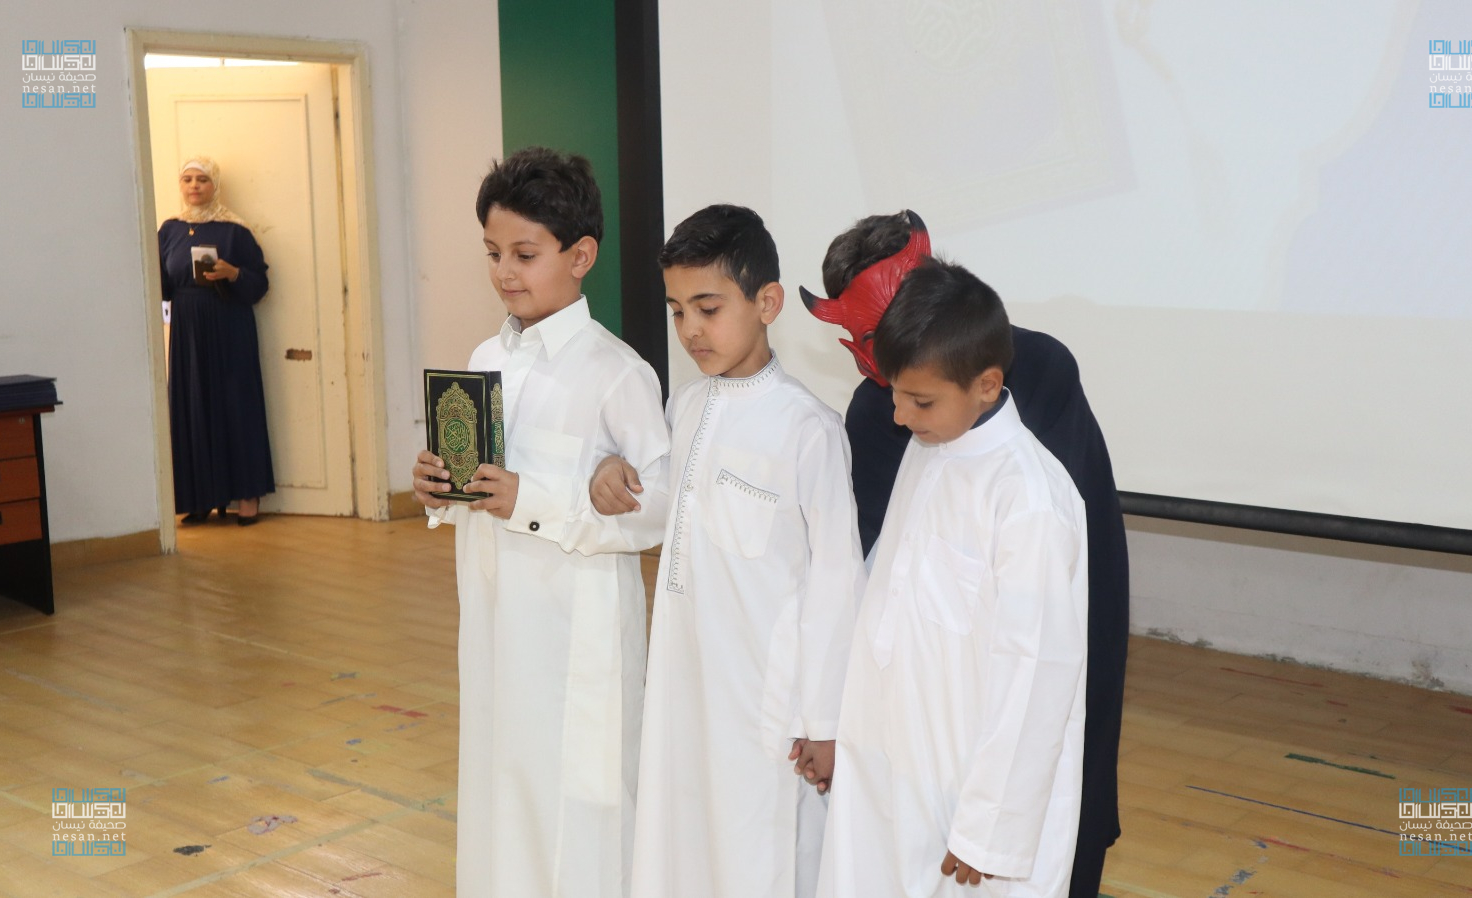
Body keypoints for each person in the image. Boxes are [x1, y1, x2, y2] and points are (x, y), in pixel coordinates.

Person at [803, 211, 1128, 896]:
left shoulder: (1028, 487)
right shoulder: (917, 434)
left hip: (976, 758)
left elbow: (1037, 662)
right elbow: (875, 585)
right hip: (896, 750)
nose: (901, 414)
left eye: (918, 399)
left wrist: (992, 823)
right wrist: (835, 722)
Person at [411, 147, 671, 898]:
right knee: (499, 793)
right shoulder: (483, 357)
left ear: (580, 256)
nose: (505, 272)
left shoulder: (617, 373)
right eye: (493, 253)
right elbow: (478, 486)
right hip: (494, 628)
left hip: (573, 642)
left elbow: (657, 511)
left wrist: (534, 497)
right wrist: (438, 490)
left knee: (576, 814)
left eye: (525, 254)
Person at [589, 205, 865, 898]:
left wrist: (824, 720)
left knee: (759, 857)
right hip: (683, 685)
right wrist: (609, 474)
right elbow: (667, 507)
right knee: (681, 846)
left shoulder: (808, 428)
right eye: (677, 311)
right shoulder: (686, 406)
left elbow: (837, 583)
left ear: (767, 303)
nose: (690, 330)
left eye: (708, 309)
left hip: (765, 706)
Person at [158, 156, 273, 526]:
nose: (194, 186)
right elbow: (161, 283)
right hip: (187, 329)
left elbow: (260, 285)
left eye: (202, 179)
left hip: (228, 327)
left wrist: (234, 273)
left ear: (215, 185)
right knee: (193, 406)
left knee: (236, 405)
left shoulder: (235, 230)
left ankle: (248, 495)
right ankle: (200, 497)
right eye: (188, 179)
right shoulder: (170, 230)